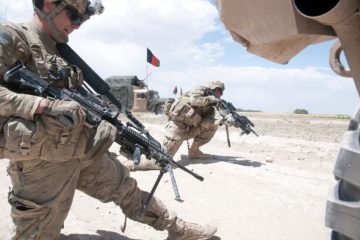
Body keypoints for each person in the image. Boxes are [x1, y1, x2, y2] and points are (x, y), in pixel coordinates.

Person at [0, 0, 217, 239]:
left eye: (81, 20)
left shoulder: (60, 51)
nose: (76, 25)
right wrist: (41, 105)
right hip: (41, 162)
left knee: (127, 190)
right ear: (49, 5)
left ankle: (177, 228)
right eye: (73, 15)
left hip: (83, 149)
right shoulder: (14, 37)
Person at [162, 80, 233, 159]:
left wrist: (223, 120)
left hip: (189, 130)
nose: (221, 94)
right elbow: (194, 100)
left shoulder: (210, 108)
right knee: (162, 159)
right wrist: (210, 99)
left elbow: (207, 123)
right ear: (214, 88)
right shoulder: (200, 89)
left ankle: (194, 151)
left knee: (213, 126)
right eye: (220, 91)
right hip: (177, 126)